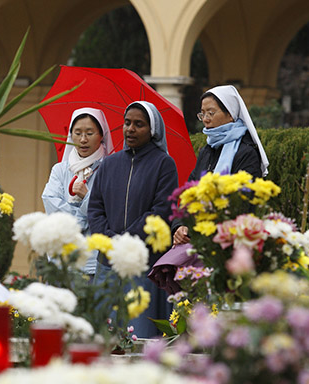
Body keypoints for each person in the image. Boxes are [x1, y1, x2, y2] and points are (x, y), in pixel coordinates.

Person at [88, 101, 178, 338]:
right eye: (127, 123)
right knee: (104, 338)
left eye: (139, 124)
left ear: (153, 130)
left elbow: (162, 210)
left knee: (139, 336)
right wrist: (108, 241)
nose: (130, 129)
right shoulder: (109, 164)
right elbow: (95, 208)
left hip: (144, 264)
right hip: (109, 262)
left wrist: (125, 241)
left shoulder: (164, 164)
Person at [172, 85, 269, 245]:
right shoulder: (207, 150)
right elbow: (189, 192)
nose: (205, 119)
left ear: (230, 114)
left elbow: (244, 204)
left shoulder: (245, 153)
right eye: (202, 114)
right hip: (196, 237)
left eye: (211, 113)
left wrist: (200, 228)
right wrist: (180, 226)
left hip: (228, 241)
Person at [42, 107, 113, 277]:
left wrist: (86, 196)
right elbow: (51, 204)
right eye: (78, 133)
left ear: (101, 135)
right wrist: (85, 219)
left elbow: (110, 213)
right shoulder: (60, 169)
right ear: (70, 135)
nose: (83, 139)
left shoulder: (111, 170)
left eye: (89, 133)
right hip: (62, 260)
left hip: (94, 262)